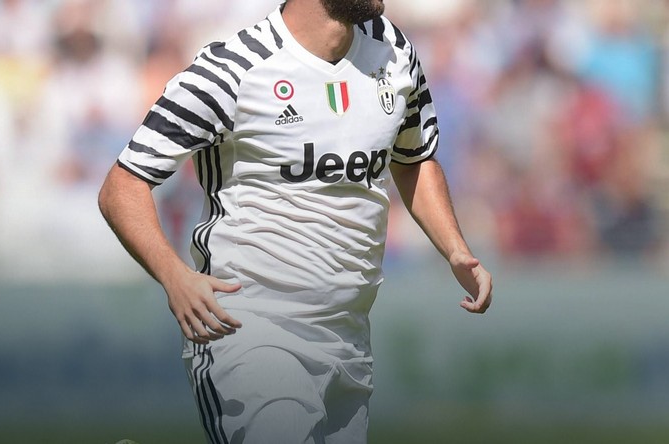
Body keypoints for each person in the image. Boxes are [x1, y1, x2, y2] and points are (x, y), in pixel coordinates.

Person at [98, 0, 493, 442]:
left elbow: (413, 158)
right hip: (250, 327)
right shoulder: (232, 69)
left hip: (348, 336)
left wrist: (455, 249)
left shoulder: (394, 50)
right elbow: (122, 185)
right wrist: (174, 276)